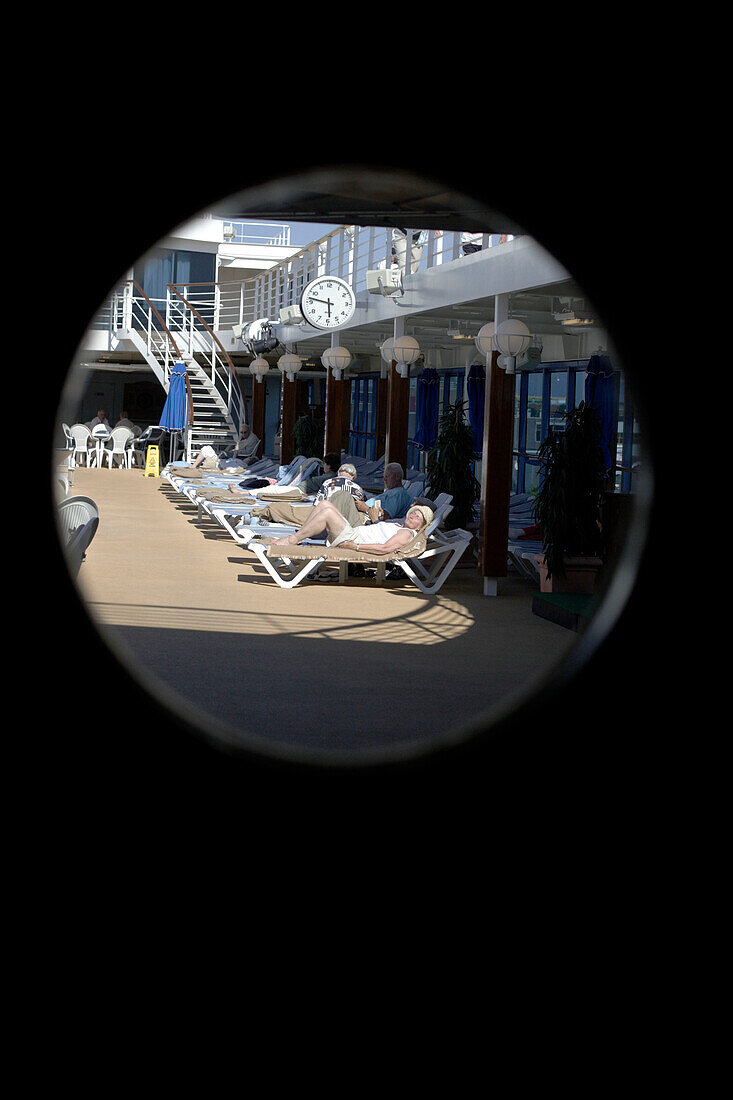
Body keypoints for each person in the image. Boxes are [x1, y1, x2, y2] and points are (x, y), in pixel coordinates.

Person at [269, 501, 434, 554]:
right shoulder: (399, 525)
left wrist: (354, 546)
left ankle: (292, 540)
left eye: (418, 517)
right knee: (325, 504)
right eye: (413, 513)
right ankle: (298, 537)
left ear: (422, 525)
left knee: (327, 513)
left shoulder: (407, 533)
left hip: (353, 539)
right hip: (354, 533)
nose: (412, 516)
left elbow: (385, 548)